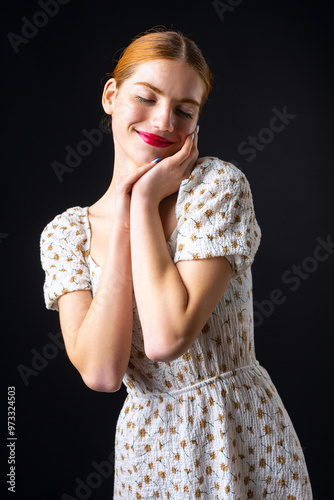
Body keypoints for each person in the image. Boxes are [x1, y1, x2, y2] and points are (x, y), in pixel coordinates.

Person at [40, 28, 312, 499]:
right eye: (146, 98)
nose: (164, 121)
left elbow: (168, 338)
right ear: (111, 96)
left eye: (185, 111)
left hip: (238, 430)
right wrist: (125, 213)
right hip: (148, 449)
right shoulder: (65, 234)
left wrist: (144, 201)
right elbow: (103, 373)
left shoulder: (214, 188)